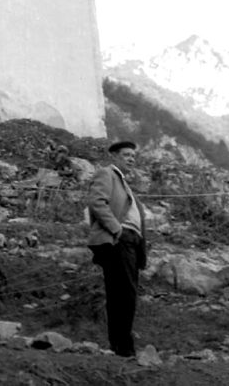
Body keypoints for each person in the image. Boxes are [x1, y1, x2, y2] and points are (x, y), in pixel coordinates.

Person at [87, 139, 148, 357]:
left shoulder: (125, 184)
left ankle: (121, 345)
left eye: (133, 156)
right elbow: (97, 202)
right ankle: (123, 347)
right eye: (126, 155)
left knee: (124, 294)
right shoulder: (107, 174)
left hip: (131, 243)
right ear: (114, 157)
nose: (131, 159)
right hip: (118, 240)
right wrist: (117, 229)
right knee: (122, 294)